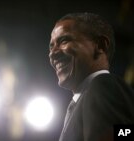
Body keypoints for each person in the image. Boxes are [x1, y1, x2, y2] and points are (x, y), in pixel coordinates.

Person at [48, 12, 134, 141]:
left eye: (64, 41)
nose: (52, 54)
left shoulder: (101, 85)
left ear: (100, 45)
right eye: (51, 46)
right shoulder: (84, 98)